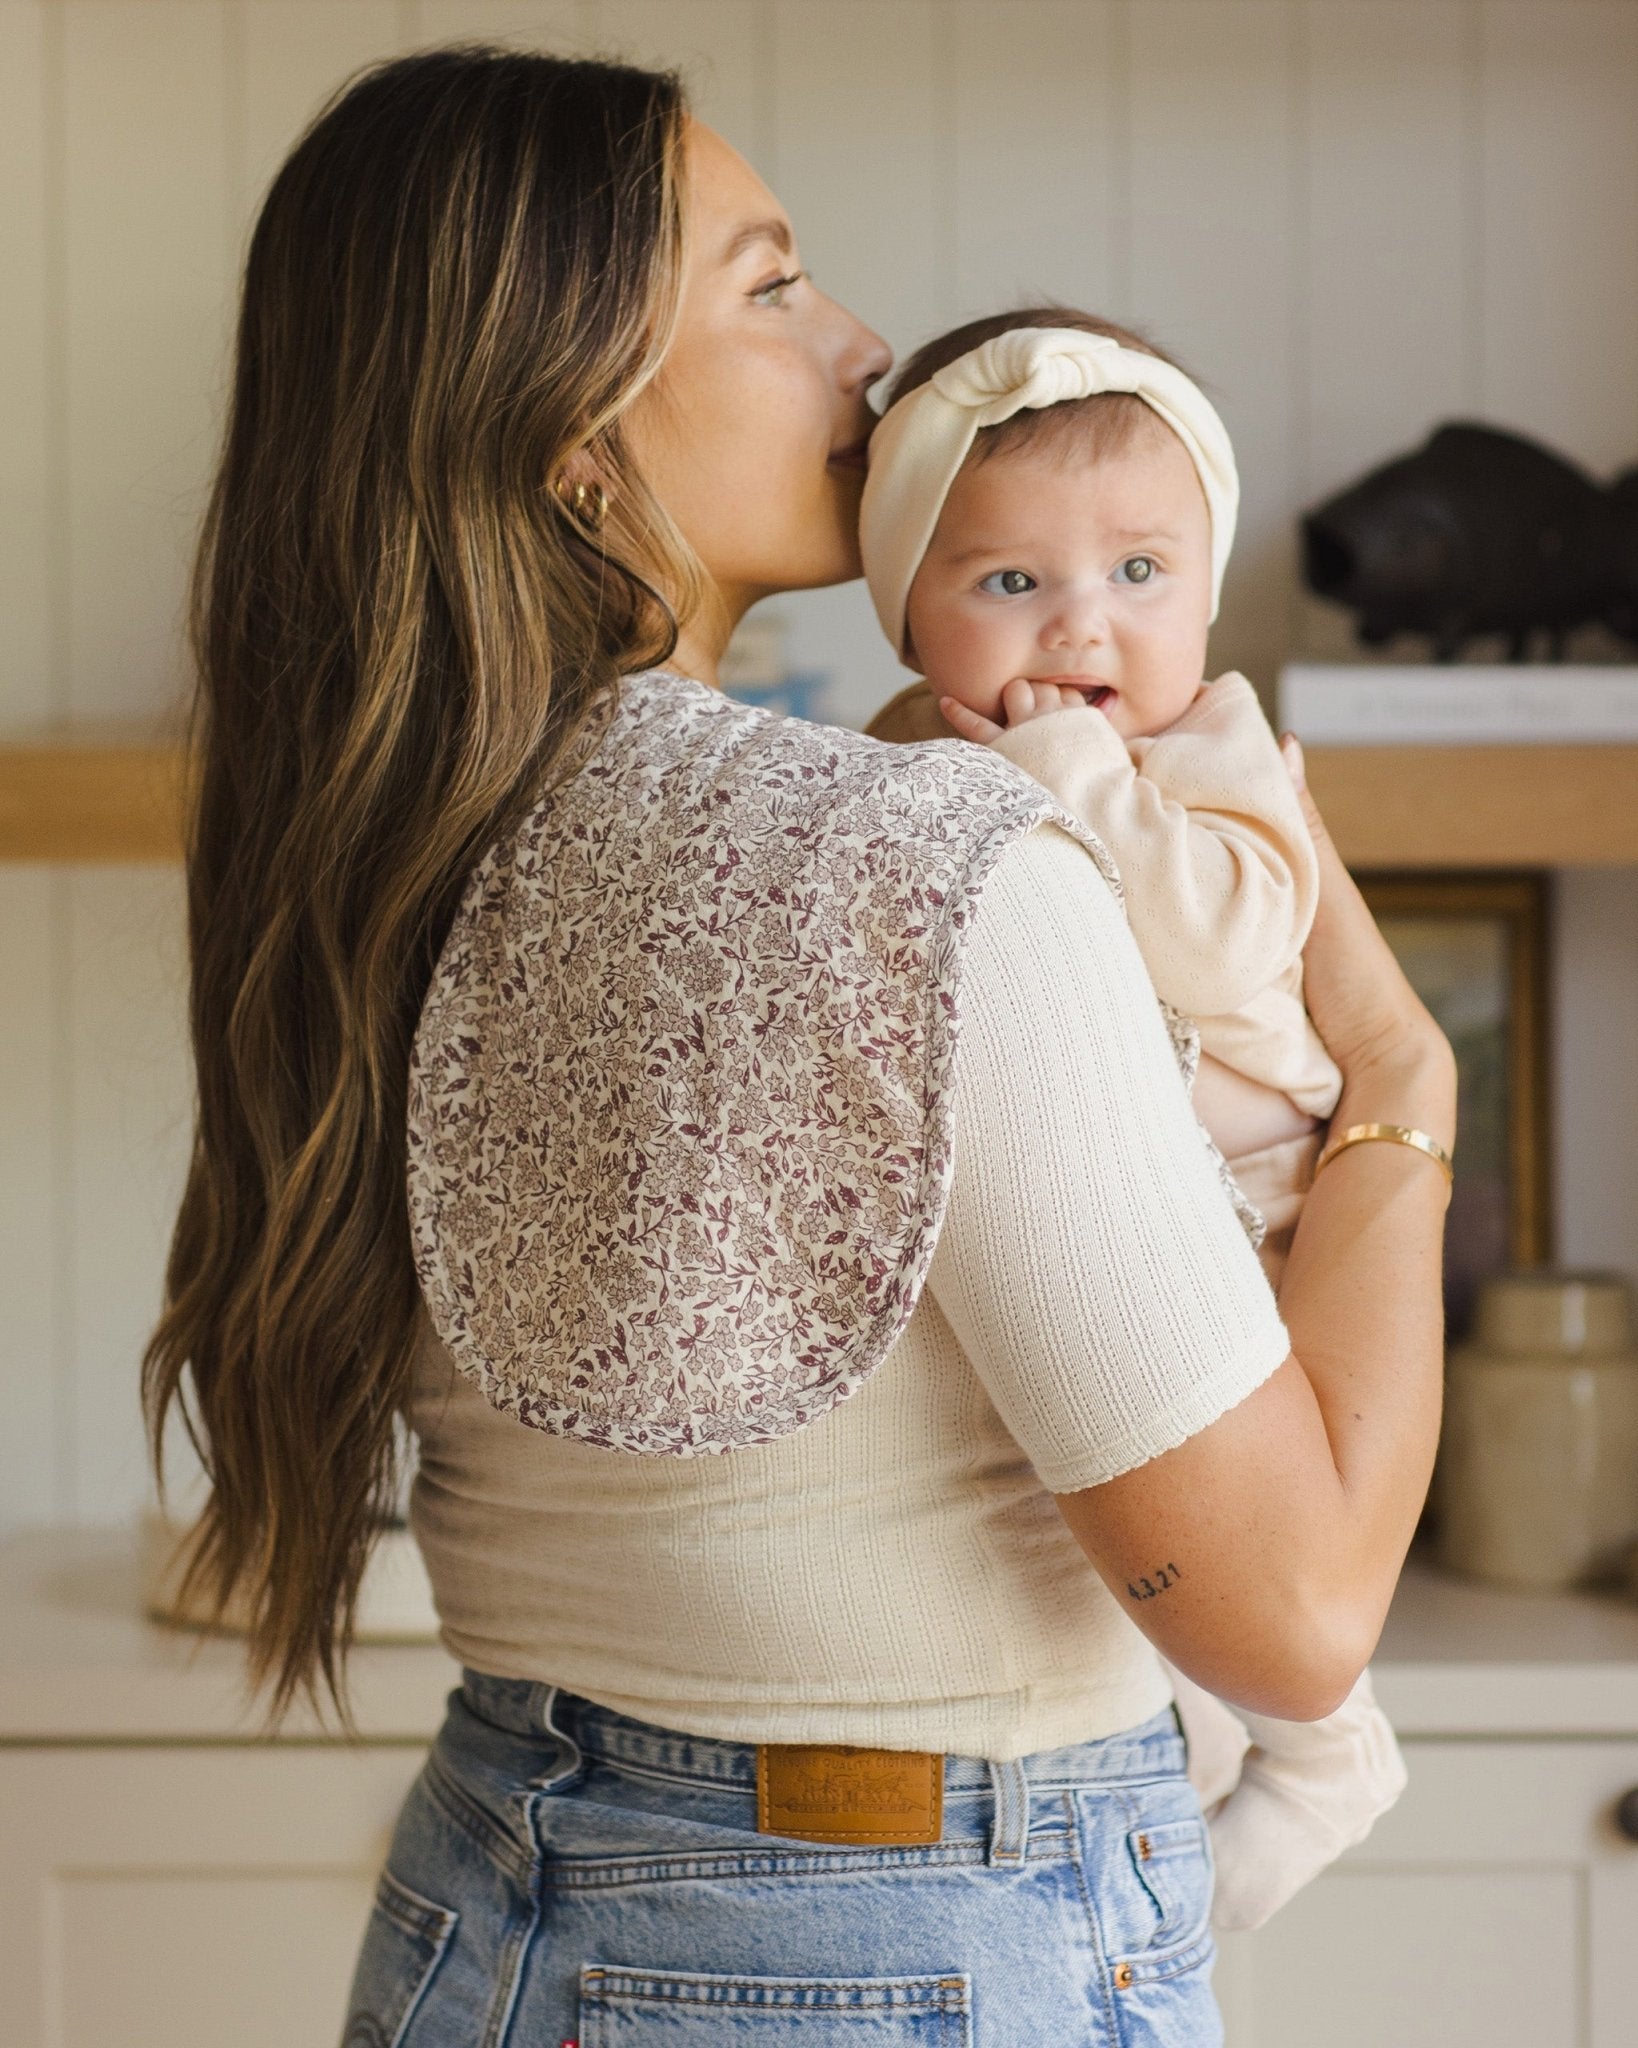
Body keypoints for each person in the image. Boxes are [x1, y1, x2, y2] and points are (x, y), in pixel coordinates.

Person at [142, 45, 1455, 2047]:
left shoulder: (396, 850)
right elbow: (1292, 1615)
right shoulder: (925, 865)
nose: (863, 354)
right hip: (882, 1946)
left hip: (499, 1889)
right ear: (576, 443)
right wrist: (1410, 1111)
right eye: (770, 290)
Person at [858, 307, 1409, 1930]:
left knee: (1238, 1521)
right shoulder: (903, 756)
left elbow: (1237, 937)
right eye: (1009, 583)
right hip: (1114, 1195)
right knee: (1098, 1530)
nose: (1079, 628)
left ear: (1208, 588)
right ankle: (1222, 1748)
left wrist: (1082, 778)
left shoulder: (1199, 746)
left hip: (1259, 1195)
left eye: (1139, 575)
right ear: (908, 610)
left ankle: (1329, 1757)